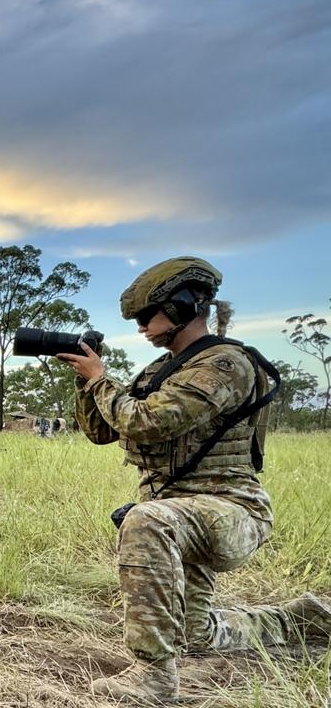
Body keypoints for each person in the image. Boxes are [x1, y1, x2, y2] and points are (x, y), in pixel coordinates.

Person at [58, 256, 331, 703]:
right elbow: (103, 431)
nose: (141, 326)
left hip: (230, 511)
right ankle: (298, 621)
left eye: (148, 314)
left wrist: (102, 380)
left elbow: (147, 421)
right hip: (184, 514)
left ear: (185, 305)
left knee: (146, 521)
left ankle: (153, 678)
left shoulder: (224, 365)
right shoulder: (159, 371)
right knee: (196, 634)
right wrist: (86, 383)